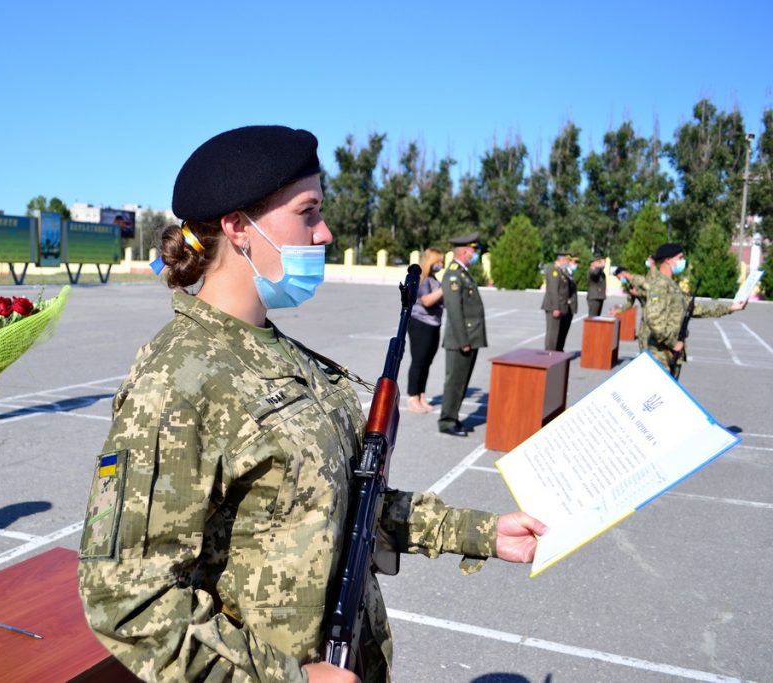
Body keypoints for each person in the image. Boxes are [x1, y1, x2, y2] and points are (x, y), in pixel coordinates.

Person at [77, 126, 545, 683]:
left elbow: (352, 503)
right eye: (308, 211)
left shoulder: (290, 357)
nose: (323, 232)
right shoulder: (178, 378)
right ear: (238, 227)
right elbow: (125, 598)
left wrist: (482, 533)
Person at [641, 242, 745, 380]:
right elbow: (653, 319)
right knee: (657, 398)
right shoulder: (660, 284)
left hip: (672, 353)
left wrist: (730, 307)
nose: (682, 261)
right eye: (680, 257)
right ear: (667, 260)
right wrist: (672, 342)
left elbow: (693, 309)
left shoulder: (672, 285)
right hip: (660, 354)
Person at [437, 234, 487, 437]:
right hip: (461, 339)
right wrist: (463, 340)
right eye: (473, 251)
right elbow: (455, 310)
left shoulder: (463, 273)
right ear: (464, 251)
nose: (475, 254)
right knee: (455, 382)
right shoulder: (453, 275)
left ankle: (454, 417)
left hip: (469, 337)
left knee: (462, 382)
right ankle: (447, 421)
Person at [405, 248, 445, 414]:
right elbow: (426, 301)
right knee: (419, 361)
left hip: (433, 324)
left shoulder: (434, 279)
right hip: (420, 323)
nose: (441, 265)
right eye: (439, 261)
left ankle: (421, 395)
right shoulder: (422, 279)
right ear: (431, 262)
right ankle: (412, 397)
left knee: (427, 362)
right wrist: (444, 290)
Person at [541, 249, 577, 351]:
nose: (568, 263)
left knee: (558, 333)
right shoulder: (554, 270)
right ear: (562, 259)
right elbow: (553, 290)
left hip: (562, 306)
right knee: (552, 334)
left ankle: (556, 354)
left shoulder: (562, 271)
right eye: (567, 260)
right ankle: (549, 355)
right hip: (554, 307)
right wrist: (556, 307)